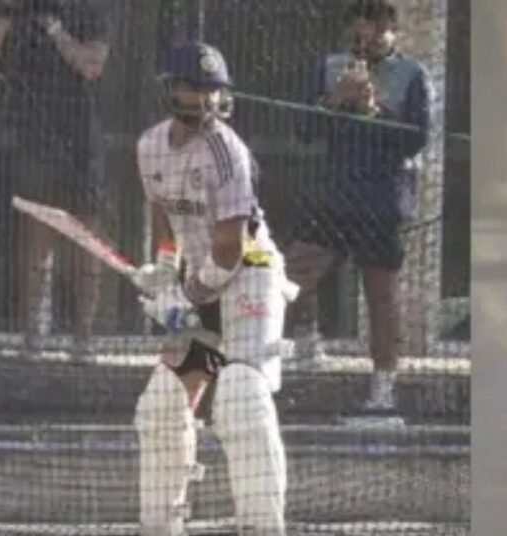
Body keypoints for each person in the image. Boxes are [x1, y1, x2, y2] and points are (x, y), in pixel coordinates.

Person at [133, 41, 296, 535]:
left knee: (241, 395)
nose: (205, 100)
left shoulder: (227, 152)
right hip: (200, 276)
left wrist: (183, 299)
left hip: (250, 273)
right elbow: (166, 217)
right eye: (194, 87)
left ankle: (263, 528)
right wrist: (165, 267)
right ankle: (161, 527)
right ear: (170, 89)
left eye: (213, 90)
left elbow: (230, 249)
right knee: (162, 405)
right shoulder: (150, 146)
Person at [284, 0, 432, 411]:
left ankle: (383, 387)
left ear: (394, 32)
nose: (369, 33)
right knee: (294, 272)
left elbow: (416, 139)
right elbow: (304, 129)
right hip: (333, 190)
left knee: (380, 294)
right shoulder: (329, 67)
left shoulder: (413, 75)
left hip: (381, 196)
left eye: (380, 26)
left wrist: (372, 111)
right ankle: (306, 342)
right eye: (363, 23)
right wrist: (335, 100)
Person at [0, 0, 114, 354]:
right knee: (35, 236)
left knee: (85, 237)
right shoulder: (13, 14)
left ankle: (84, 336)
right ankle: (32, 333)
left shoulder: (86, 10)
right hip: (33, 138)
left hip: (81, 138)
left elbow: (91, 65)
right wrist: (2, 22)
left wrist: (55, 30)